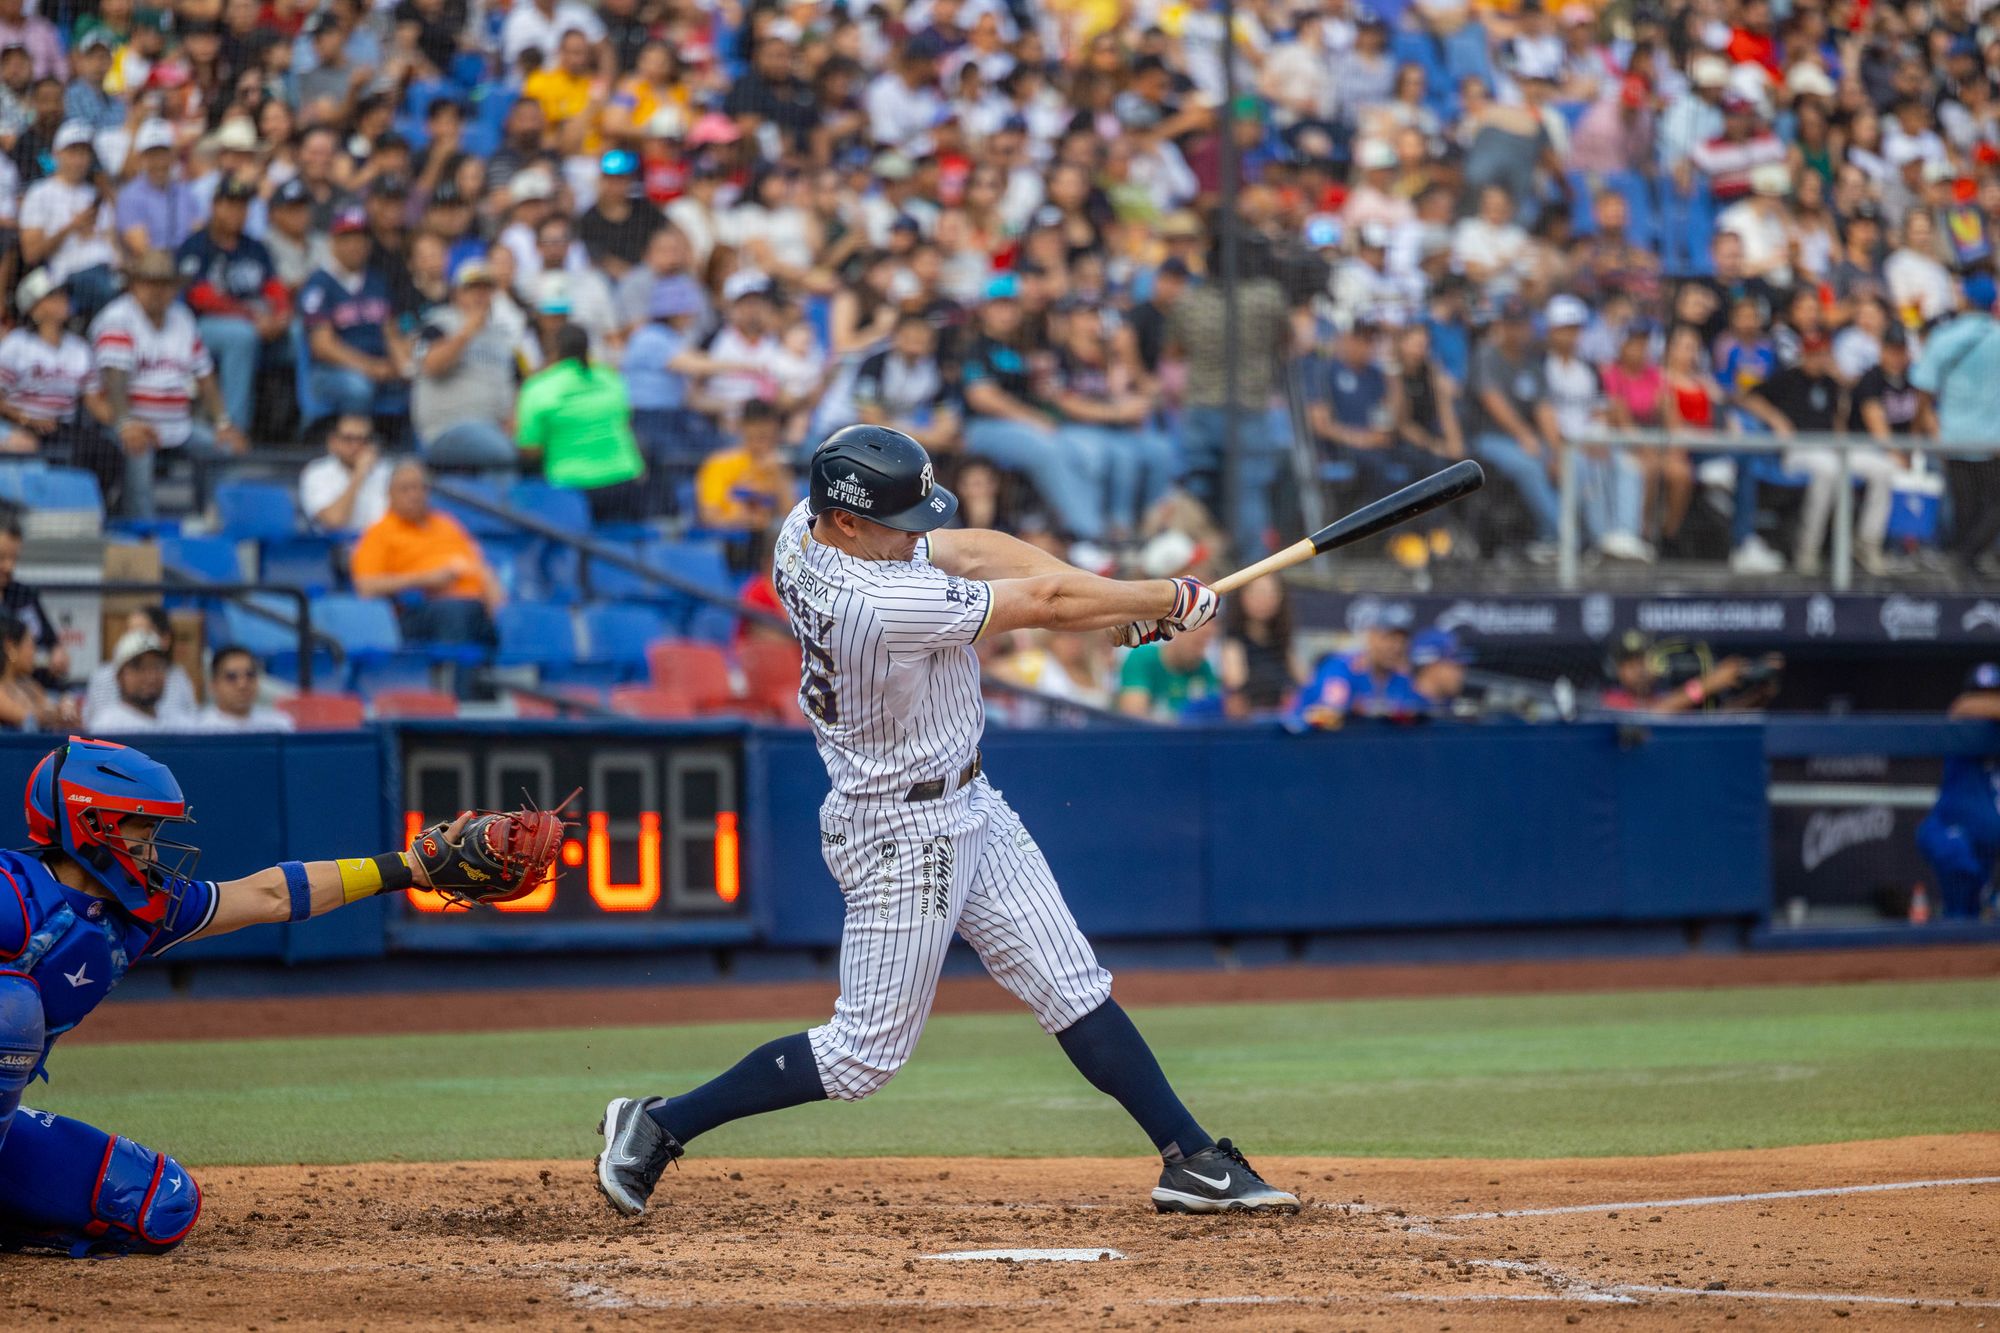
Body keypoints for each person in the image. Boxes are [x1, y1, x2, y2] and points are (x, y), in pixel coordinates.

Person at [593, 424, 1297, 1219]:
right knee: (862, 1055)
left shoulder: (806, 528)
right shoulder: (876, 600)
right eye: (903, 521)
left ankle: (1191, 1156)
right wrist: (1160, 598)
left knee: (1071, 983)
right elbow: (1042, 603)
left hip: (966, 800)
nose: (919, 533)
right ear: (850, 521)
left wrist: (1112, 602)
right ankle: (656, 1123)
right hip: (900, 829)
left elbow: (972, 551)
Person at [0, 736, 551, 1255]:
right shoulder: (13, 891)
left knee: (160, 1204)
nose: (153, 847)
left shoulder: (142, 913)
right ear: (91, 824)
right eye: (141, 830)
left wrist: (408, 868)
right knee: (11, 1009)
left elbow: (270, 894)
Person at [90, 249, 245, 519]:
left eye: (163, 284)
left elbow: (205, 375)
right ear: (134, 284)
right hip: (127, 423)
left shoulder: (182, 318)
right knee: (138, 450)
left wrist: (222, 422)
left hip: (177, 425)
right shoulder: (117, 318)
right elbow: (114, 382)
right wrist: (126, 424)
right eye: (148, 282)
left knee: (224, 447)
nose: (156, 291)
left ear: (174, 288)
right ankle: (143, 533)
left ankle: (208, 520)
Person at [1165, 240, 1292, 559]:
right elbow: (1286, 340)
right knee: (1248, 492)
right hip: (1248, 406)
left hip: (1202, 406)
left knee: (1197, 489)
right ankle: (1253, 572)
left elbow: (1176, 351)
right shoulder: (1267, 297)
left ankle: (1192, 570)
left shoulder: (1190, 301)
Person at [1743, 333, 1896, 578]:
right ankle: (1807, 551)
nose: (1817, 359)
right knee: (1829, 471)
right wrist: (1777, 420)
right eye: (1812, 353)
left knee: (1883, 468)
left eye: (1822, 353)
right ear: (1803, 353)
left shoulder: (1831, 382)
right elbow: (1749, 397)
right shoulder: (1787, 377)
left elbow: (1839, 419)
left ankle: (1867, 543)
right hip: (1799, 450)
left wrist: (1840, 384)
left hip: (1831, 448)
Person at [175, 177, 288, 440]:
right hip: (204, 327)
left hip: (258, 320)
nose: (237, 212)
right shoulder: (196, 245)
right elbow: (200, 296)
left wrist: (281, 316)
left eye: (242, 206)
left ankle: (309, 424)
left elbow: (274, 287)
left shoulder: (254, 247)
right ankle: (234, 430)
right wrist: (252, 317)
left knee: (297, 333)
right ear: (215, 206)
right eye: (230, 205)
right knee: (241, 337)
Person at [349, 460, 502, 648]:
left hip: (473, 608)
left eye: (420, 488)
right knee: (454, 611)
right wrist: (426, 579)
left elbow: (479, 567)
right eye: (405, 489)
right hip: (417, 612)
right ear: (390, 495)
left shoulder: (447, 524)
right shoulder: (379, 533)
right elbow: (366, 586)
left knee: (518, 616)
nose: (414, 495)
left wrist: (498, 603)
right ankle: (451, 674)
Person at [514, 323, 648, 521]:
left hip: (570, 488)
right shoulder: (611, 378)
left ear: (552, 349)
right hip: (624, 481)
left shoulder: (537, 388)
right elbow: (624, 422)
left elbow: (529, 448)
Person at [1912, 276, 2000, 576]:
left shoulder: (1945, 336)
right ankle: (1967, 562)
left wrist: (1925, 431)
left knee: (1965, 509)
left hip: (1953, 437)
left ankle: (1963, 563)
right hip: (1992, 441)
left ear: (1965, 300)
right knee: (1990, 507)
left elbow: (1922, 390)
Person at [0, 268, 113, 498]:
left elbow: (95, 402)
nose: (63, 301)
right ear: (35, 307)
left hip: (62, 428)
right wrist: (27, 418)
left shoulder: (79, 348)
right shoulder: (16, 344)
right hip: (19, 423)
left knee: (106, 451)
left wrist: (125, 422)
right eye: (54, 296)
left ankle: (96, 511)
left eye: (63, 295)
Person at [1467, 298, 1562, 561]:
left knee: (1571, 465)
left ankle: (1584, 538)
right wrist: (1525, 436)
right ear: (1501, 326)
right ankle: (1562, 537)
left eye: (1522, 325)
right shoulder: (1487, 354)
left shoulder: (1532, 362)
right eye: (1512, 324)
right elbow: (1492, 400)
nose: (1517, 331)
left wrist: (1555, 452)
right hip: (1488, 438)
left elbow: (1544, 409)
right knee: (1529, 465)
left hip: (1527, 441)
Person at [299, 205, 410, 423]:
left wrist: (404, 365)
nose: (355, 245)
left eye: (361, 238)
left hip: (378, 366)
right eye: (347, 237)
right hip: (332, 372)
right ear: (334, 242)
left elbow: (391, 332)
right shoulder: (319, 284)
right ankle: (355, 443)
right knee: (358, 387)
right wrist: (369, 367)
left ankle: (408, 450)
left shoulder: (377, 281)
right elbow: (323, 346)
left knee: (422, 382)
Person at [411, 260, 520, 475]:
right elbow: (431, 365)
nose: (479, 295)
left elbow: (515, 387)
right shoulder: (436, 323)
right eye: (471, 288)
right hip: (447, 429)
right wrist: (466, 332)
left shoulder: (501, 338)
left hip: (493, 429)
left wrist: (513, 420)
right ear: (456, 294)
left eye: (485, 289)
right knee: (501, 452)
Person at [1916, 663, 2000, 920]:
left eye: (1993, 692)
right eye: (1979, 692)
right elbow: (1963, 707)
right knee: (1959, 864)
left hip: (1989, 842)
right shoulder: (1961, 717)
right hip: (1950, 828)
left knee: (1971, 915)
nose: (1985, 700)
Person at [18, 121, 119, 320]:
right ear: (57, 154)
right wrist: (71, 227)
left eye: (84, 153)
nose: (79, 160)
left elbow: (113, 244)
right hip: (68, 275)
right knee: (108, 292)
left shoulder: (96, 195)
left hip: (107, 269)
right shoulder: (40, 193)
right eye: (73, 152)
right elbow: (31, 253)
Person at [1286, 611, 1423, 728]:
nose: (1396, 647)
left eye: (1402, 640)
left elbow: (1416, 714)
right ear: (1372, 636)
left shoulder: (1402, 679)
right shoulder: (1342, 667)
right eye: (1389, 638)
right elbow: (1326, 714)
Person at [694, 399, 794, 533]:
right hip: (732, 541)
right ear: (743, 430)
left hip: (769, 540)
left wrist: (779, 476)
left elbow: (794, 520)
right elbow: (709, 516)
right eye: (759, 437)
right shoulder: (720, 464)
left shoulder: (778, 468)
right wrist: (744, 519)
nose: (765, 445)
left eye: (771, 438)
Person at [1218, 575, 1301, 717]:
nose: (1264, 600)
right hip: (1251, 723)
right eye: (1258, 593)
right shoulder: (1233, 640)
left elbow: (1303, 681)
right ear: (1242, 596)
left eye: (1271, 593)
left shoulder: (1283, 639)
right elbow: (1235, 686)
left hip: (1285, 719)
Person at [0, 515, 67, 684]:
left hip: (37, 686)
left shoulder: (24, 594)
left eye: (14, 558)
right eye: (1, 558)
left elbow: (52, 642)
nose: (9, 567)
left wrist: (58, 653)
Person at [297, 412, 390, 532]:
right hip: (335, 547)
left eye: (363, 440)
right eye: (348, 439)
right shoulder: (316, 473)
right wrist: (359, 475)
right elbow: (335, 521)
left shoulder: (386, 471)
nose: (356, 446)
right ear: (333, 442)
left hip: (380, 545)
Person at [1117, 619, 1223, 721]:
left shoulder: (1203, 668)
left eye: (1206, 645)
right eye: (1197, 643)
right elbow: (1133, 717)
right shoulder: (1142, 657)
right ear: (1179, 630)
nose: (1200, 653)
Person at [0, 612, 76, 730]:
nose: (34, 652)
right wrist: (56, 713)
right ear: (10, 647)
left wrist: (66, 707)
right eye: (30, 645)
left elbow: (57, 711)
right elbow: (27, 717)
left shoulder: (29, 686)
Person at [192, 645, 293, 732]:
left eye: (250, 675)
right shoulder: (198, 730)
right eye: (231, 677)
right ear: (213, 686)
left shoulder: (279, 726)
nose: (242, 684)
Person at [1408, 628, 1469, 713]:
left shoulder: (1452, 705)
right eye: (1455, 664)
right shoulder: (1400, 707)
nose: (1462, 670)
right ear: (1431, 666)